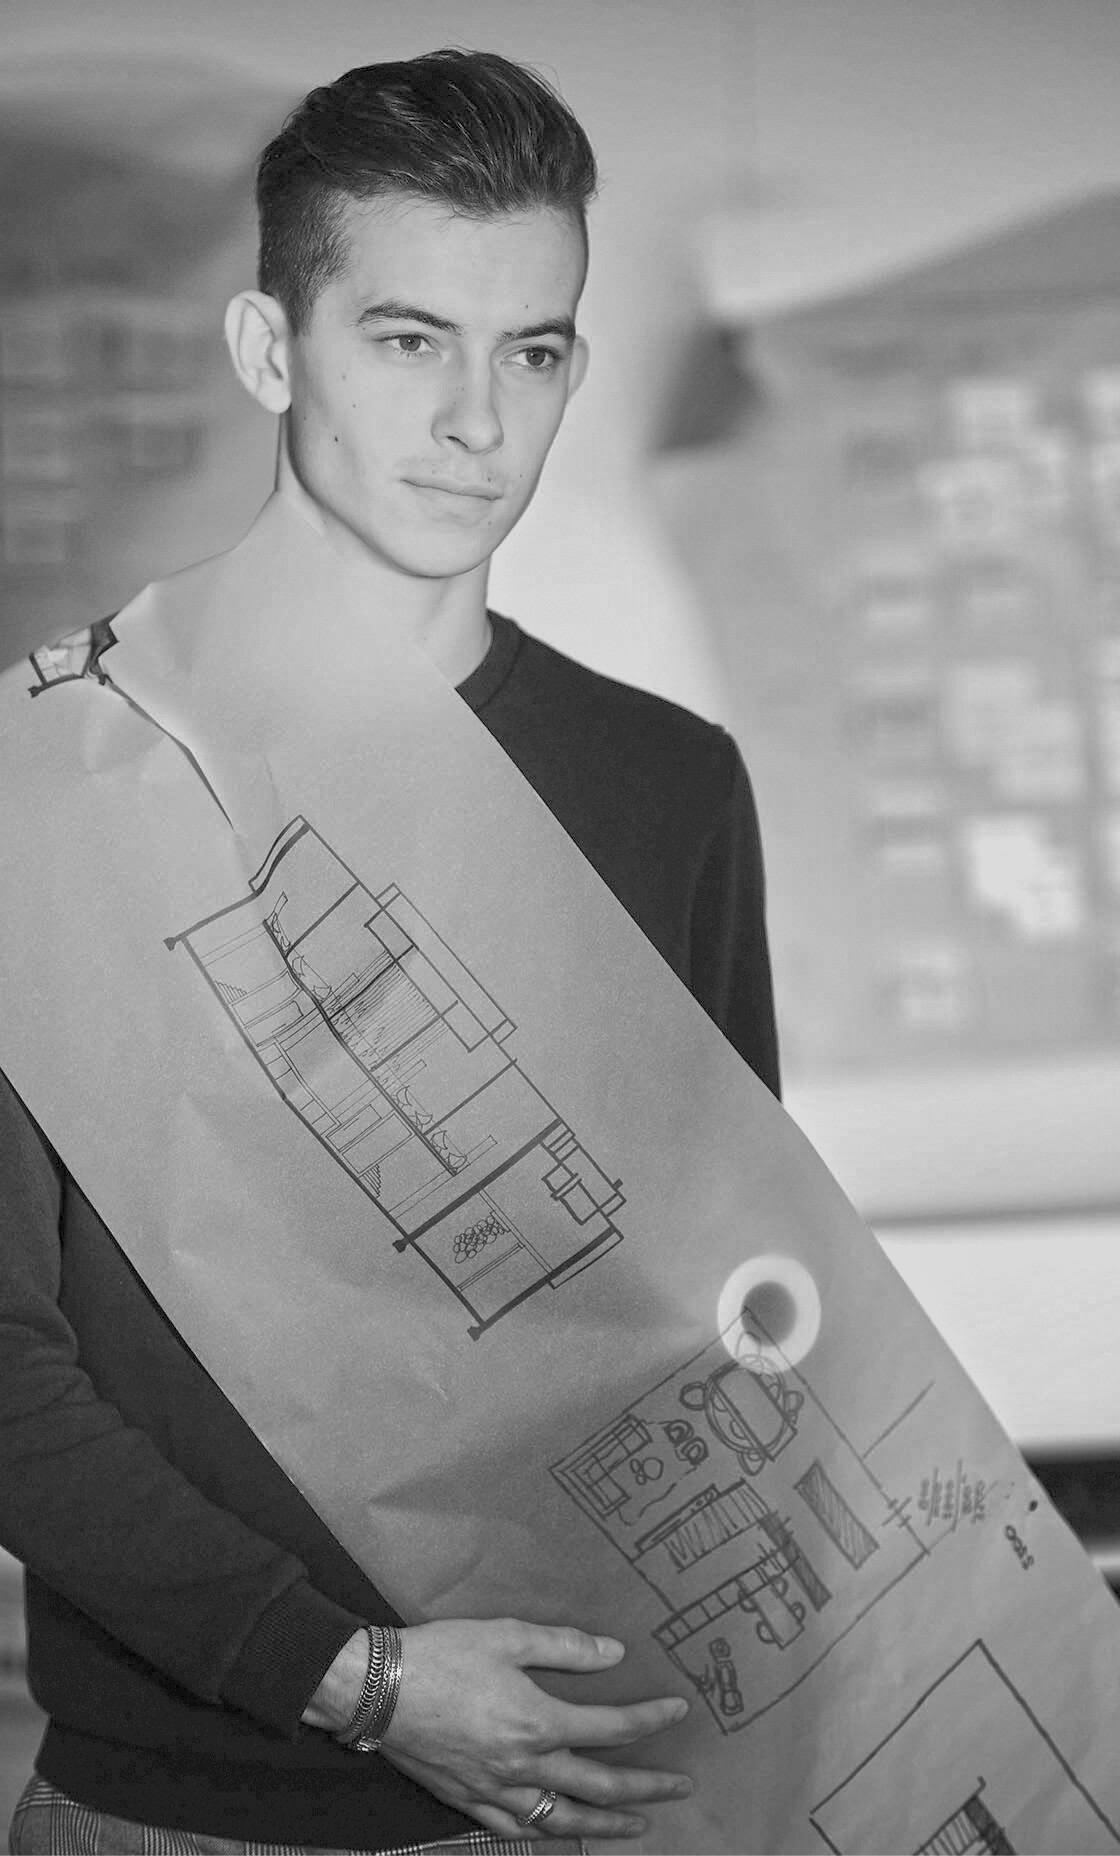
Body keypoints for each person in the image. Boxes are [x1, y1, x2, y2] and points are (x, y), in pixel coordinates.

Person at [0, 49, 780, 1856]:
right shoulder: (51, 789)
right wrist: (352, 1680)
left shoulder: (671, 785)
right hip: (181, 1820)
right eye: (409, 340)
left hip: (591, 1794)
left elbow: (723, 1312)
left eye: (533, 353)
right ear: (271, 350)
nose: (477, 422)